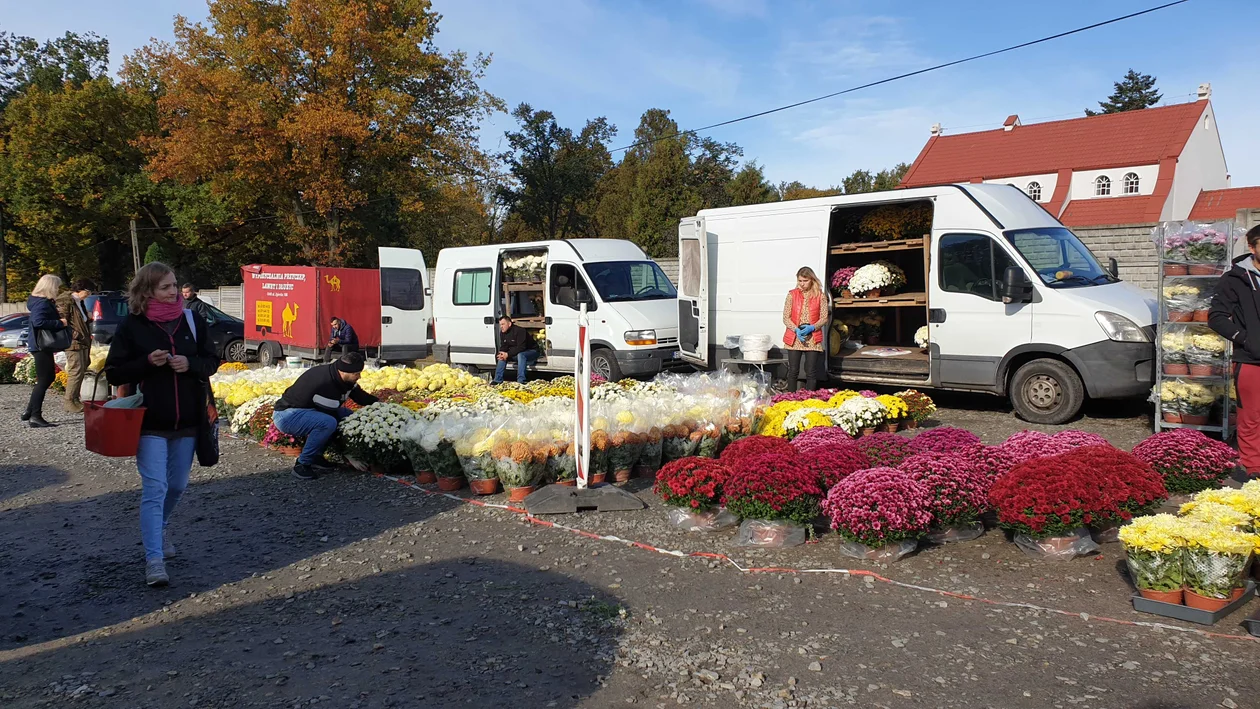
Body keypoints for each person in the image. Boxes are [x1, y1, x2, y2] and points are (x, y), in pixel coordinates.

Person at [105, 262, 220, 587]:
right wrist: (146, 363)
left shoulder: (191, 319)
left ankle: (161, 526)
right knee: (155, 488)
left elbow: (211, 361)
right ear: (147, 291)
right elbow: (114, 372)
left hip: (187, 420)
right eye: (166, 287)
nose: (174, 292)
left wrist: (191, 364)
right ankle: (153, 560)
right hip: (149, 420)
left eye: (174, 285)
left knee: (178, 485)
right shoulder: (133, 325)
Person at [273, 351, 378, 480]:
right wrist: (348, 455)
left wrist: (381, 405)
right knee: (328, 423)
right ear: (344, 371)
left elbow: (360, 397)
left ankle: (316, 457)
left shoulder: (343, 379)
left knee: (349, 415)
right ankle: (302, 464)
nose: (359, 377)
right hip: (287, 415)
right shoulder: (324, 383)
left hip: (307, 410)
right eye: (356, 374)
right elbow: (331, 417)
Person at [1209, 224, 1260, 479]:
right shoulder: (1235, 278)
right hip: (1251, 359)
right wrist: (1246, 339)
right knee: (1251, 417)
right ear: (1252, 247)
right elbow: (1216, 317)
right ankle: (1252, 468)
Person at [24, 274, 69, 428]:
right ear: (50, 287)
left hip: (39, 345)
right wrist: (59, 323)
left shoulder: (37, 301)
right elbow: (39, 322)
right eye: (56, 286)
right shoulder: (42, 303)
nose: (58, 289)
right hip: (41, 345)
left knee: (45, 378)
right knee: (45, 379)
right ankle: (35, 416)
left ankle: (30, 411)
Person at [781, 266, 829, 392]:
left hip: (812, 337)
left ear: (812, 280)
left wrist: (812, 327)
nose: (802, 284)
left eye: (805, 281)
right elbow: (786, 317)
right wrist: (796, 329)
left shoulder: (820, 296)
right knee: (793, 370)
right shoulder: (792, 295)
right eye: (800, 281)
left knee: (811, 371)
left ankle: (809, 398)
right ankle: (790, 397)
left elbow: (824, 318)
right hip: (795, 337)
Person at [56, 278, 96, 413]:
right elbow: (62, 321)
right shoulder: (66, 300)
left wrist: (88, 318)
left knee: (82, 369)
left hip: (82, 341)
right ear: (81, 289)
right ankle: (69, 401)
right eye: (88, 291)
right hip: (74, 342)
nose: (89, 294)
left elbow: (80, 320)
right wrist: (75, 335)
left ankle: (75, 399)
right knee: (76, 371)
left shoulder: (79, 302)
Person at [492, 315, 538, 385]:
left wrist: (508, 354)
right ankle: (497, 380)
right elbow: (504, 346)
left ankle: (521, 381)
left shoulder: (520, 331)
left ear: (509, 324)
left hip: (531, 351)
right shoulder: (502, 333)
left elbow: (521, 347)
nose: (501, 326)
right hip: (515, 352)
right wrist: (502, 353)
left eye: (503, 324)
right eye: (500, 324)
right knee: (502, 356)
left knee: (521, 355)